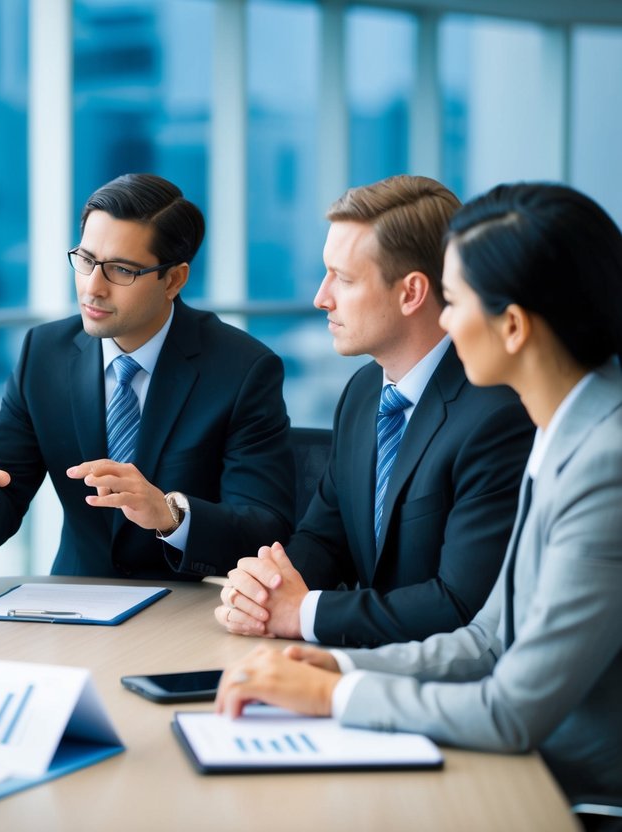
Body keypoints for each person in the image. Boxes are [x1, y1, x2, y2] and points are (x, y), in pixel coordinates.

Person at [215, 182, 622, 807]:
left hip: (569, 789)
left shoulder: (603, 461)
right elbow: (489, 639)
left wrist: (334, 697)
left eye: (454, 301)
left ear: (512, 327)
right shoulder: (564, 429)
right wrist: (341, 667)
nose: (446, 323)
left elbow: (512, 709)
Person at [216, 175, 533, 647]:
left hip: (440, 686)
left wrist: (303, 613)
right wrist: (264, 591)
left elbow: (461, 604)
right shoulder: (364, 391)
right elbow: (326, 539)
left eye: (342, 279)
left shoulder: (496, 414)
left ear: (411, 293)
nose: (321, 298)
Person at [0, 173, 294, 579]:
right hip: (75, 607)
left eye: (121, 270)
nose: (93, 288)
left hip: (190, 611)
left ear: (174, 279)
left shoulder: (243, 369)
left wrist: (169, 514)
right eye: (86, 260)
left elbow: (265, 529)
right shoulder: (43, 354)